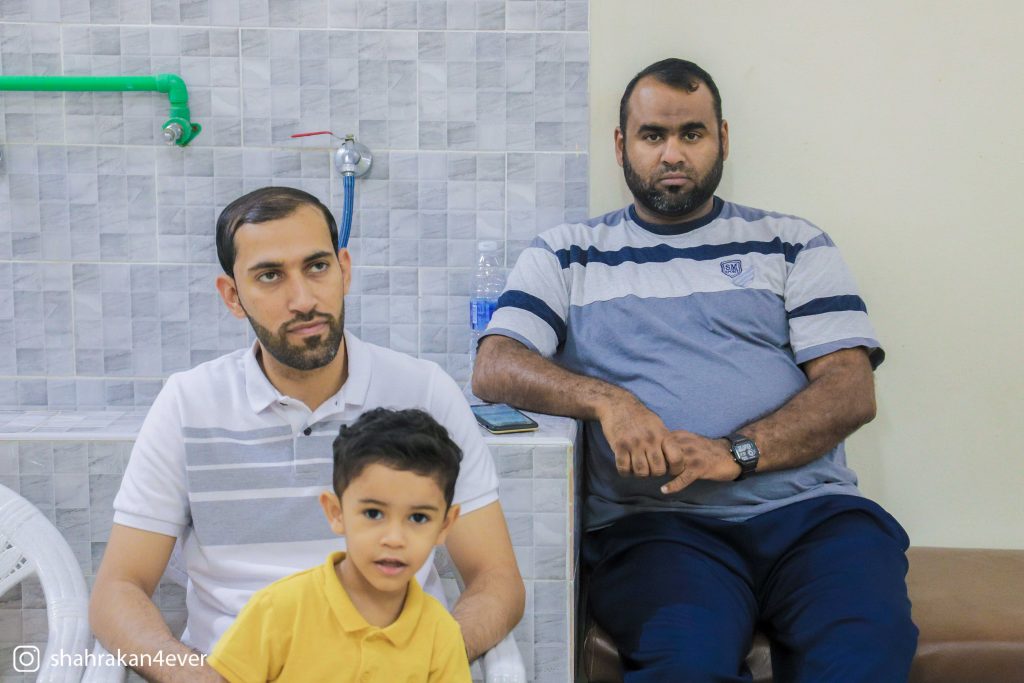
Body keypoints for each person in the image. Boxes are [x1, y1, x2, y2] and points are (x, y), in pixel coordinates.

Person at [473, 58, 918, 682]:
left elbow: (850, 389)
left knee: (862, 660)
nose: (673, 154)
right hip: (658, 532)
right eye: (653, 135)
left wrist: (735, 453)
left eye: (692, 133)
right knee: (685, 667)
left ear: (723, 139)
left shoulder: (792, 244)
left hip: (813, 521)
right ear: (621, 146)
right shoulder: (568, 254)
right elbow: (496, 364)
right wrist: (610, 402)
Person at [90, 186, 524, 682]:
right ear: (232, 296)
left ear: (344, 269)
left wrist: (421, 658)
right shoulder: (188, 402)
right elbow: (117, 591)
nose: (303, 300)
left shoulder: (423, 391)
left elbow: (496, 579)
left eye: (317, 267)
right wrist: (195, 677)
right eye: (270, 276)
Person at [208, 408, 472, 683]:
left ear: (444, 526)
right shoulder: (277, 610)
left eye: (418, 518)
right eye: (373, 513)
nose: (394, 539)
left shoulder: (442, 635)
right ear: (336, 513)